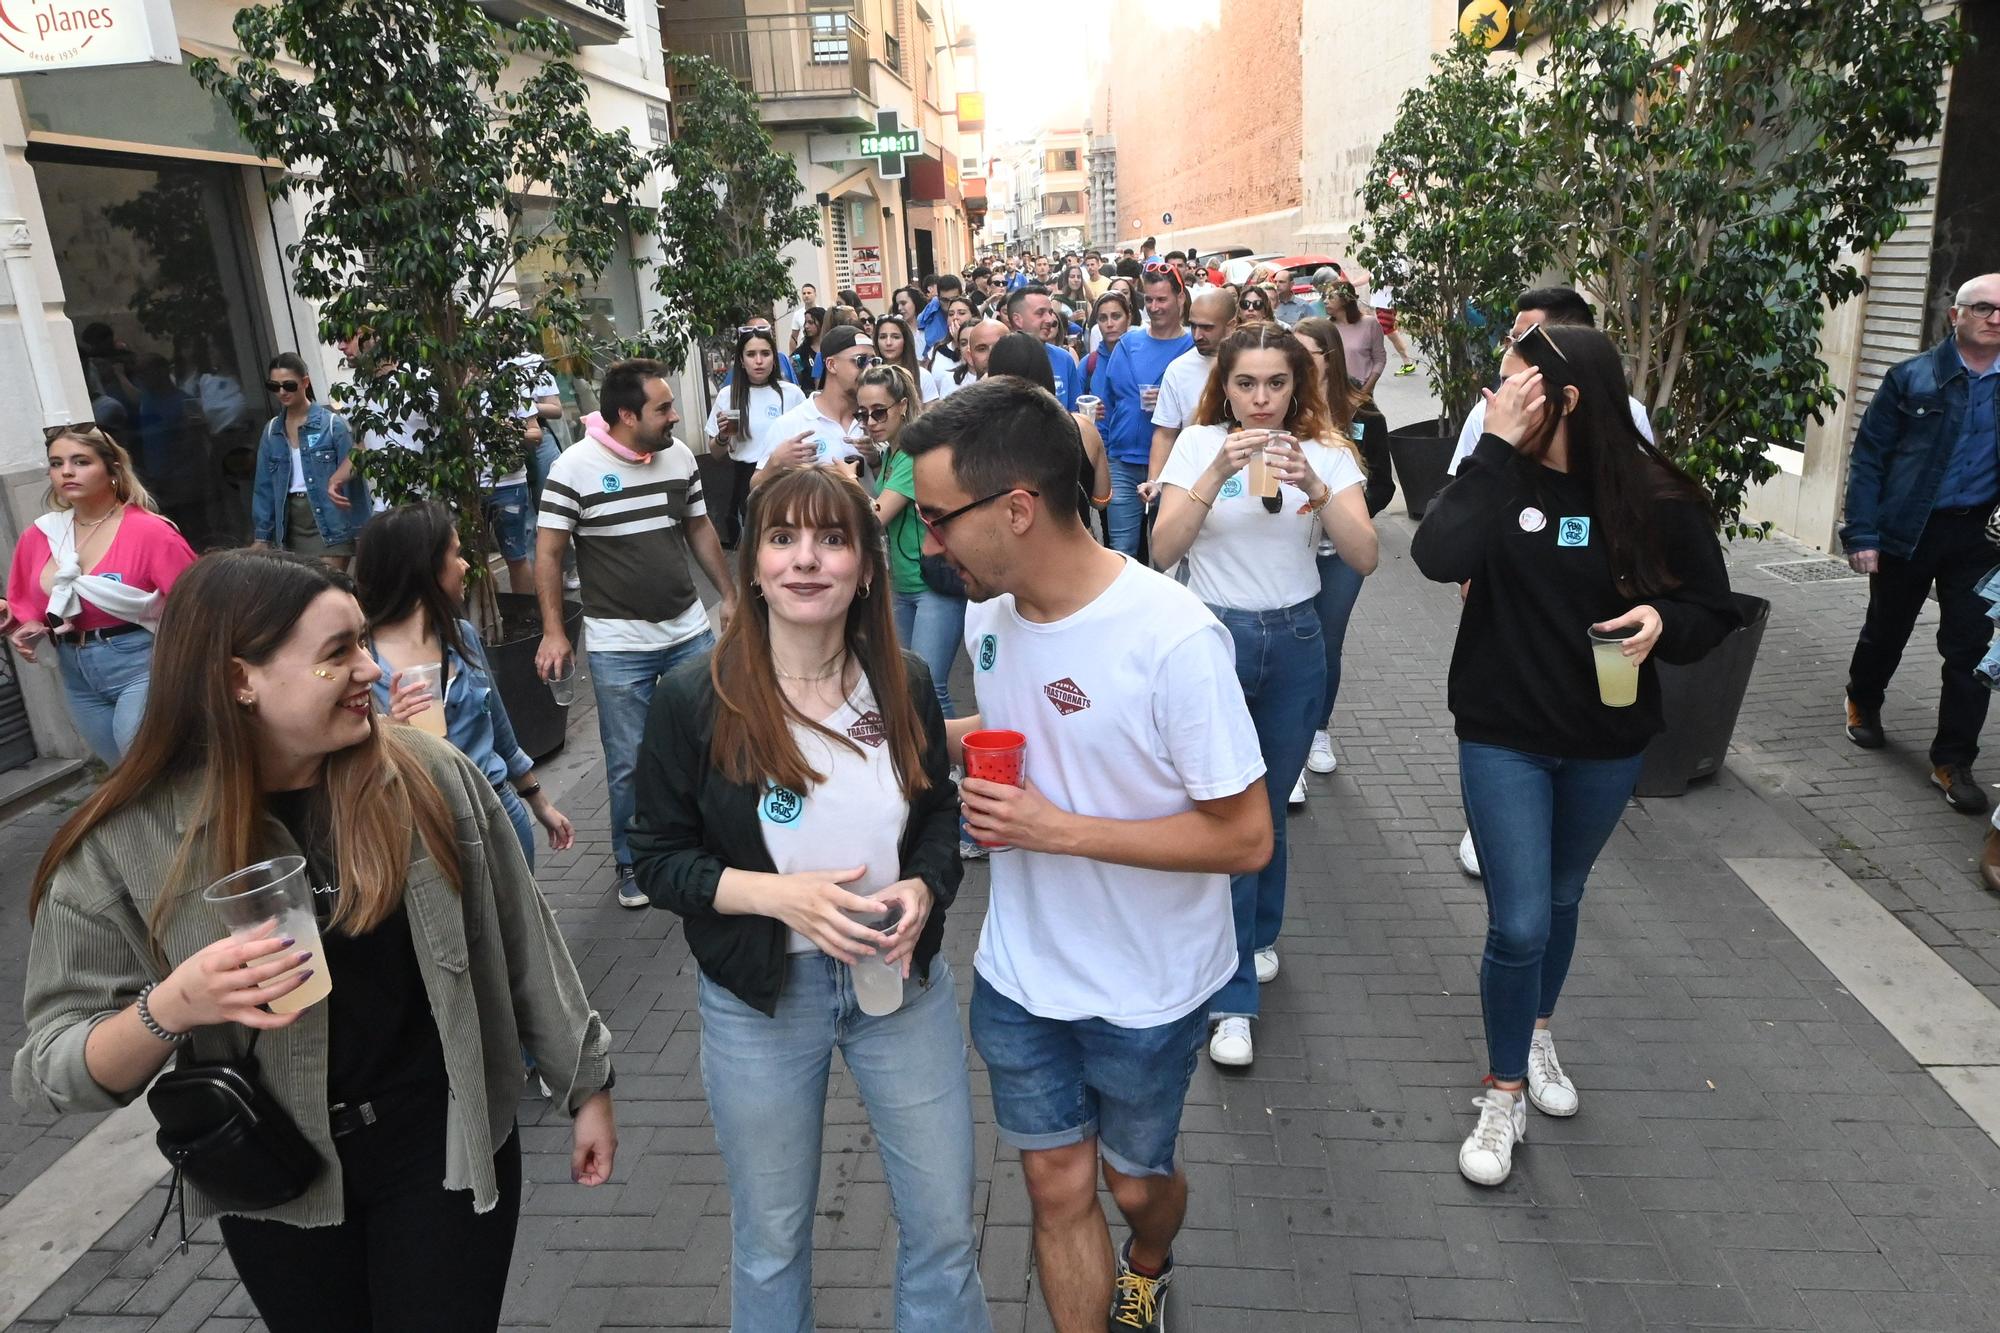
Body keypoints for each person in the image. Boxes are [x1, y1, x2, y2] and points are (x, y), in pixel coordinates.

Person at [13, 547, 617, 1331]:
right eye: (339, 653)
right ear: (240, 679)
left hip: (441, 1146)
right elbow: (52, 1068)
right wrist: (174, 1005)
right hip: (274, 1175)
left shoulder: (428, 776)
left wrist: (587, 1082)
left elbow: (521, 936)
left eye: (363, 640)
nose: (372, 667)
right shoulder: (132, 839)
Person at [900, 377, 1271, 1333]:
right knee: (1058, 1189)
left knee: (1133, 1183)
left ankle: (1152, 1252)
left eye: (940, 519)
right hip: (1023, 978)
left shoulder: (1174, 638)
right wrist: (914, 733)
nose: (928, 541)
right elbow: (1024, 721)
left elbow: (1246, 835)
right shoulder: (992, 615)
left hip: (1150, 991)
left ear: (1017, 508)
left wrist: (1052, 828)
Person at [626, 466, 987, 1332]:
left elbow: (937, 816)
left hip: (898, 993)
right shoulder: (695, 697)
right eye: (782, 539)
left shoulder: (904, 680)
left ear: (867, 565)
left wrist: (925, 887)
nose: (806, 560)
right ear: (752, 566)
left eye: (832, 539)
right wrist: (778, 897)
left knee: (942, 1230)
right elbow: (656, 856)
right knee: (772, 1238)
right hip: (760, 1004)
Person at [1411, 324, 1739, 1187]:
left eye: (1515, 383)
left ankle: (1537, 1030)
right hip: (1502, 731)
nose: (1497, 393)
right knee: (1518, 920)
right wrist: (1490, 448)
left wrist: (1665, 622)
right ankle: (1503, 1084)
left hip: (1605, 738)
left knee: (1560, 896)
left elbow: (1712, 608)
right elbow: (1435, 553)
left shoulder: (1656, 496)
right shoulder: (1497, 473)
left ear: (1566, 400)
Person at [1151, 324, 1378, 1067]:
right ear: (1226, 385)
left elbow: (1365, 555)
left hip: (1295, 640)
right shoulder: (1197, 444)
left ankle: (1259, 931)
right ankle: (1233, 995)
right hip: (1212, 639)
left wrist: (1317, 487)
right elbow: (1162, 550)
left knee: (1269, 806)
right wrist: (1216, 469)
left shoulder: (1330, 451)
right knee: (1229, 811)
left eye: (1274, 384)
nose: (1260, 399)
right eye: (1245, 384)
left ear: (1297, 385)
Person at [535, 359, 735, 907]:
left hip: (690, 633)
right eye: (663, 408)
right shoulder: (573, 467)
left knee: (708, 745)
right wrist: (555, 632)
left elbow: (698, 526)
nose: (674, 416)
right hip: (618, 646)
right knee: (628, 761)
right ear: (626, 414)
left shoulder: (677, 458)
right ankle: (632, 862)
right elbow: (549, 553)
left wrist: (731, 594)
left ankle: (705, 844)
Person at [1844, 274, 2000, 820]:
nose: (1996, 318)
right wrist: (1861, 533)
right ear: (1955, 316)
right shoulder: (1910, 378)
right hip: (1909, 529)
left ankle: (1953, 760)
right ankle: (1863, 699)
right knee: (1888, 628)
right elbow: (1868, 460)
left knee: (1971, 651)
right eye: (1984, 308)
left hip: (1981, 539)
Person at [355, 503, 574, 868]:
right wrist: (391, 729)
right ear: (425, 570)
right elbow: (353, 771)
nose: (465, 566)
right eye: (455, 555)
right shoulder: (364, 661)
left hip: (497, 808)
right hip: (428, 829)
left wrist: (538, 802)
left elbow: (500, 729)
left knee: (521, 923)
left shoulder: (462, 637)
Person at [7, 426, 197, 764]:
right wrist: (23, 625)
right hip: (75, 671)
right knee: (121, 779)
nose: (66, 471)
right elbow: (31, 607)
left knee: (142, 770)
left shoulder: (150, 532)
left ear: (112, 471)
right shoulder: (41, 535)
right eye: (56, 463)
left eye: (80, 461)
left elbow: (198, 605)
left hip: (143, 663)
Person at [1292, 317, 1393, 786]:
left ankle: (1317, 730)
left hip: (1339, 551)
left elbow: (1383, 487)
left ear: (1328, 358)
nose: (1292, 360)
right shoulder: (1284, 410)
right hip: (1290, 543)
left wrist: (1345, 505)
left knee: (1327, 639)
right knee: (1293, 639)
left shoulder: (1364, 416)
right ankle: (1287, 739)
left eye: (1304, 352)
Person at [1450, 288, 1656, 474]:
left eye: (1527, 339)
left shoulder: (1628, 413)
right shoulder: (1489, 415)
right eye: (1511, 339)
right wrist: (1493, 446)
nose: (1513, 349)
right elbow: (1455, 504)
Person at [865, 365, 965, 717]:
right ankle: (924, 765)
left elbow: (875, 518)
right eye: (862, 414)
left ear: (903, 405)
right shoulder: (893, 451)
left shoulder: (910, 453)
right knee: (909, 686)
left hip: (932, 582)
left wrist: (846, 481)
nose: (870, 421)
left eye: (879, 411)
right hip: (904, 585)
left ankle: (950, 768)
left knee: (930, 686)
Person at [1100, 267, 1194, 555]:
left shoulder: (1193, 346)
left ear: (1180, 298)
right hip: (1123, 463)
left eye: (1161, 299)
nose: (1154, 308)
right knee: (1123, 550)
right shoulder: (1129, 343)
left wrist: (1171, 402)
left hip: (1174, 467)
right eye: (1149, 300)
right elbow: (1109, 401)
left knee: (1168, 552)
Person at [251, 354, 368, 570]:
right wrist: (263, 536)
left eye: (288, 385)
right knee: (304, 594)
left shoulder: (332, 425)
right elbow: (264, 487)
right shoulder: (271, 432)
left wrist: (361, 530)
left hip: (330, 519)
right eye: (274, 386)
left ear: (305, 382)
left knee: (329, 586)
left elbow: (354, 474)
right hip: (290, 523)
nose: (282, 392)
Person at [988, 331, 1113, 519]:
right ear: (1047, 371)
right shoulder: (1082, 427)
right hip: (1073, 541)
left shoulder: (983, 435)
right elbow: (1101, 500)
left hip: (1010, 542)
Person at [707, 327, 808, 547]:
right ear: (741, 361)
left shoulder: (792, 394)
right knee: (757, 547)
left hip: (788, 477)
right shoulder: (728, 395)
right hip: (746, 479)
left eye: (765, 353)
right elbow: (715, 453)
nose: (759, 361)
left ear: (775, 357)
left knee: (793, 540)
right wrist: (723, 436)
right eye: (751, 355)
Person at [760, 326, 883, 480]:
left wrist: (876, 461)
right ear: (831, 365)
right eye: (861, 361)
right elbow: (756, 487)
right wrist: (776, 462)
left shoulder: (880, 417)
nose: (870, 369)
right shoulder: (791, 424)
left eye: (874, 362)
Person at [1147, 288, 1238, 484]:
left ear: (1231, 326)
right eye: (1193, 326)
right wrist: (1155, 482)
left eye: (1207, 328)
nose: (1197, 335)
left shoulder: (1255, 365)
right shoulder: (1178, 369)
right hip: (1191, 483)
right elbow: (1165, 434)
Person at [1003, 285, 1083, 409]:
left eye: (1050, 312)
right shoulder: (1002, 360)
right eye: (1040, 313)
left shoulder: (1064, 359)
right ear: (1017, 320)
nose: (1050, 320)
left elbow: (1076, 411)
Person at [1324, 281, 1388, 399]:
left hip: (1362, 390)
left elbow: (1380, 359)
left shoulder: (1370, 324)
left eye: (1331, 297)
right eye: (1325, 297)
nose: (1325, 301)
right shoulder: (1326, 327)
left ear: (1345, 300)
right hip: (1334, 393)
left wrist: (1365, 391)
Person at [873, 313, 941, 403]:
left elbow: (932, 415)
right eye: (883, 337)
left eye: (895, 337)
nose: (888, 342)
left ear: (905, 341)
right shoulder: (870, 375)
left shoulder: (923, 376)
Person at [936, 317, 1009, 401]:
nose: (990, 355)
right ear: (970, 355)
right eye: (981, 349)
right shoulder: (950, 381)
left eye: (998, 346)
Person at [1083, 291, 1134, 400]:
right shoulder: (1089, 363)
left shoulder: (1141, 357)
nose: (1109, 324)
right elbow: (1073, 407)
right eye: (1103, 318)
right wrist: (1086, 411)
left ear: (1128, 319)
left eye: (1116, 316)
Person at [1371, 283, 1418, 375]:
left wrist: (1383, 280)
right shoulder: (1377, 268)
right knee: (1391, 333)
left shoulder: (1391, 268)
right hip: (1380, 304)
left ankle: (1368, 366)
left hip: (1387, 304)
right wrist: (1353, 283)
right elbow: (1370, 275)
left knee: (1376, 333)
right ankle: (1408, 364)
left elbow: (1399, 280)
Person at [916, 274, 960, 354]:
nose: (949, 304)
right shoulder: (931, 315)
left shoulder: (969, 312)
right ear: (938, 298)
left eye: (954, 299)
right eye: (945, 300)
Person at [792, 307, 825, 389]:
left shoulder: (832, 348)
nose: (806, 326)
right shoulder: (800, 353)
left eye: (811, 322)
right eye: (805, 322)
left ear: (821, 322)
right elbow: (797, 377)